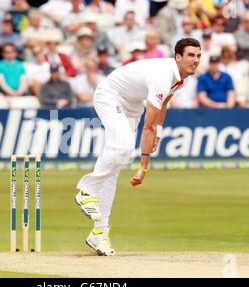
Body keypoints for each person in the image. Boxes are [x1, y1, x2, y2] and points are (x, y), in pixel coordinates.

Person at [74, 38, 201, 256]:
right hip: (110, 95)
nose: (195, 60)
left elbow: (163, 106)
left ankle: (99, 234)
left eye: (198, 56)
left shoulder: (181, 79)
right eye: (190, 55)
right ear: (177, 57)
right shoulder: (163, 75)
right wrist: (143, 167)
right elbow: (148, 126)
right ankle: (87, 190)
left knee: (116, 164)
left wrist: (159, 134)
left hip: (132, 105)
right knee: (123, 146)